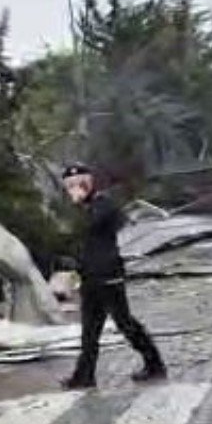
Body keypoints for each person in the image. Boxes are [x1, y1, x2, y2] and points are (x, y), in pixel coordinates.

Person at [60, 163, 166, 389]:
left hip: (108, 274)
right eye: (70, 185)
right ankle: (84, 375)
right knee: (90, 329)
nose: (75, 189)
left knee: (124, 323)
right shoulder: (79, 209)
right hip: (88, 275)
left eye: (80, 183)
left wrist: (78, 208)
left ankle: (154, 363)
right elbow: (69, 236)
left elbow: (93, 225)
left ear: (90, 183)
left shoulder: (103, 205)